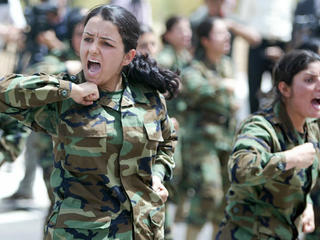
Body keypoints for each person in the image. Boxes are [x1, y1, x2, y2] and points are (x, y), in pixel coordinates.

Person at [0, 4, 180, 240]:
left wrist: (157, 174)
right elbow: (4, 93)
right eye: (88, 39)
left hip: (142, 231)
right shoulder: (63, 97)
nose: (93, 50)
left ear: (128, 56)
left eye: (106, 43)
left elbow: (167, 141)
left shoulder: (147, 97)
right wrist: (68, 90)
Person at [216, 49, 320, 239]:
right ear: (285, 89)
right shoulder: (260, 127)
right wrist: (289, 158)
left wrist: (307, 203)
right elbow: (240, 169)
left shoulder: (310, 129)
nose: (319, 85)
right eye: (309, 80)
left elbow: (300, 178)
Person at [180, 17, 238, 239]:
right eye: (221, 33)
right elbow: (193, 87)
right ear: (205, 40)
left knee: (226, 198)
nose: (227, 37)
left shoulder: (226, 65)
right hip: (202, 141)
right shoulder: (194, 68)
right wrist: (222, 86)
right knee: (208, 193)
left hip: (226, 138)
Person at [234, 0, 297, 113]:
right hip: (258, 43)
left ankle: (281, 124)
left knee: (282, 88)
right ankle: (254, 123)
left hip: (281, 44)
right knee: (254, 89)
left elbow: (292, 20)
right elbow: (242, 20)